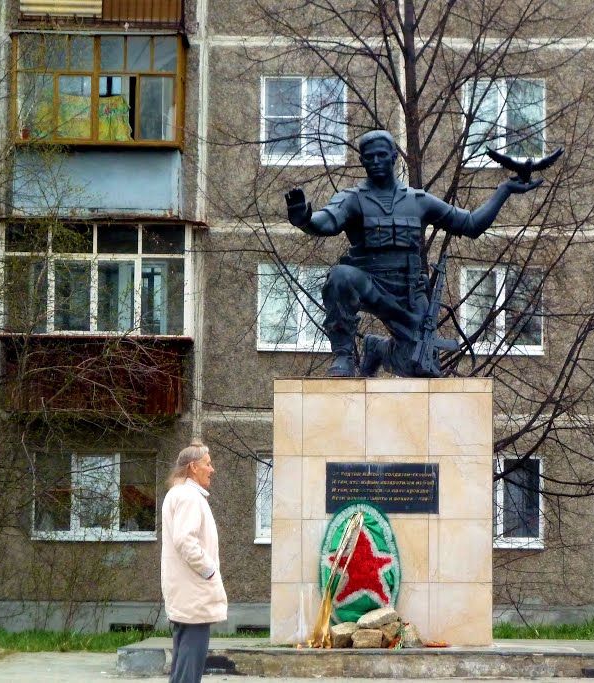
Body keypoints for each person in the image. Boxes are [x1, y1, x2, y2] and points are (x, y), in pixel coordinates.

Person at [285, 129, 541, 378]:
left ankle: (378, 348)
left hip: (408, 292)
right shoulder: (352, 199)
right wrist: (305, 220)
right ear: (362, 161)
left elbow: (471, 224)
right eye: (369, 157)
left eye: (382, 155)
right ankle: (343, 355)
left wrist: (504, 191)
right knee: (340, 277)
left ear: (394, 157)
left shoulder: (419, 201)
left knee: (418, 365)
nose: (375, 161)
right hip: (368, 281)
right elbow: (327, 222)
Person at [161, 440, 227, 683]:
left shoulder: (178, 494)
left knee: (183, 661)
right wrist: (208, 570)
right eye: (208, 464)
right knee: (191, 663)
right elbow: (185, 541)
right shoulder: (189, 497)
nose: (212, 469)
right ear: (193, 467)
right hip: (194, 592)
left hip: (186, 592)